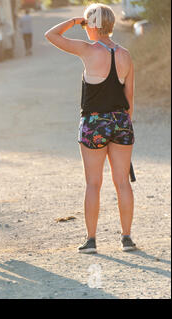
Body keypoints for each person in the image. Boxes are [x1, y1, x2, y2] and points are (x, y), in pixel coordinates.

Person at [45, 3, 137, 253]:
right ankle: (126, 238)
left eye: (87, 23)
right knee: (123, 183)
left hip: (94, 122)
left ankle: (91, 240)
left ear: (91, 24)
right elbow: (129, 101)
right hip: (120, 122)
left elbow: (51, 35)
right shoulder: (125, 54)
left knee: (93, 184)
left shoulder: (87, 49)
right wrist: (121, 124)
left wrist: (75, 22)